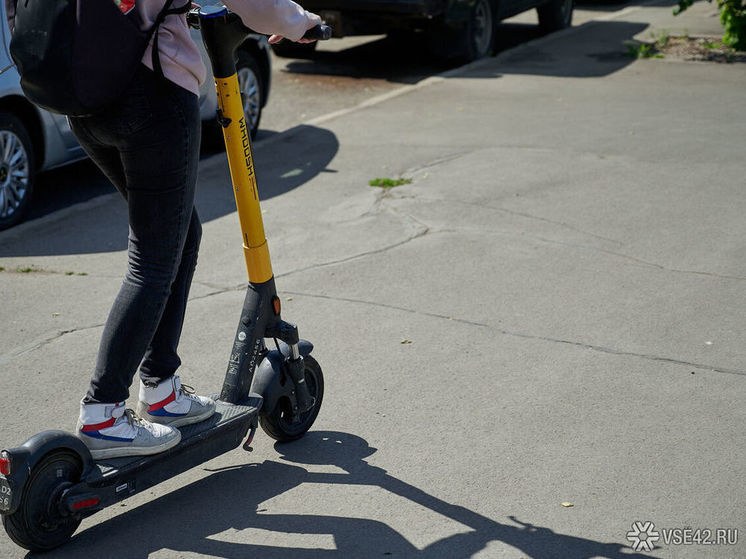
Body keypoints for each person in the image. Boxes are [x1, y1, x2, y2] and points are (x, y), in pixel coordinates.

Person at [37, 0, 322, 460]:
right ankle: (103, 413)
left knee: (178, 235)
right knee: (153, 258)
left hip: (82, 91)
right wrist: (297, 22)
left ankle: (163, 388)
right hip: (150, 93)